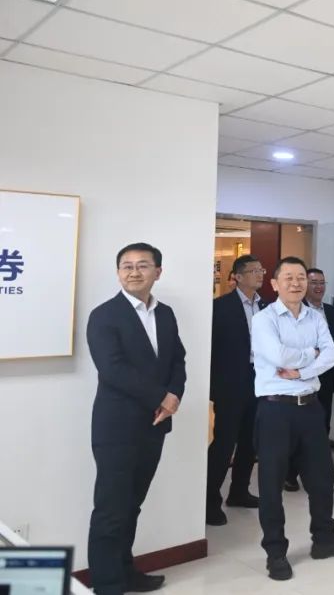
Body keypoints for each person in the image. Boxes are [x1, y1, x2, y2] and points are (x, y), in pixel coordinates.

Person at [250, 257, 334, 581]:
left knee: (322, 480)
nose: (296, 283)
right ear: (275, 284)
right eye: (289, 278)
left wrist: (301, 371)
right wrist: (311, 355)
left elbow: (331, 355)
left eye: (301, 277)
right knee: (271, 485)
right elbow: (277, 355)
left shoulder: (316, 316)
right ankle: (275, 552)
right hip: (275, 409)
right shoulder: (264, 319)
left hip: (310, 407)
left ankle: (324, 539)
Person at [87, 243, 187, 595]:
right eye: (126, 266)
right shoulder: (104, 315)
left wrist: (174, 395)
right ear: (118, 273)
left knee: (132, 504)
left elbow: (178, 360)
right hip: (117, 427)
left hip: (155, 424)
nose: (133, 272)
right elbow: (112, 369)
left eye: (142, 265)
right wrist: (162, 397)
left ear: (157, 272)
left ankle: (125, 571)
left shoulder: (166, 314)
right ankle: (107, 584)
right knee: (111, 508)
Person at [206, 255, 265, 526]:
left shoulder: (266, 306)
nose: (259, 274)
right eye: (253, 271)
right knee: (225, 442)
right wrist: (214, 386)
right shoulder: (220, 307)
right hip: (230, 383)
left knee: (250, 441)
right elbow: (211, 349)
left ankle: (239, 491)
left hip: (259, 380)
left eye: (261, 270)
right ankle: (210, 500)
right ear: (238, 277)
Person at [283, 267, 334, 491]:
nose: (319, 287)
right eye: (314, 282)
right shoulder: (297, 310)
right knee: (299, 427)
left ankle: (321, 470)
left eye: (322, 282)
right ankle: (290, 474)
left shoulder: (332, 311)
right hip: (302, 377)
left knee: (323, 425)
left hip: (326, 376)